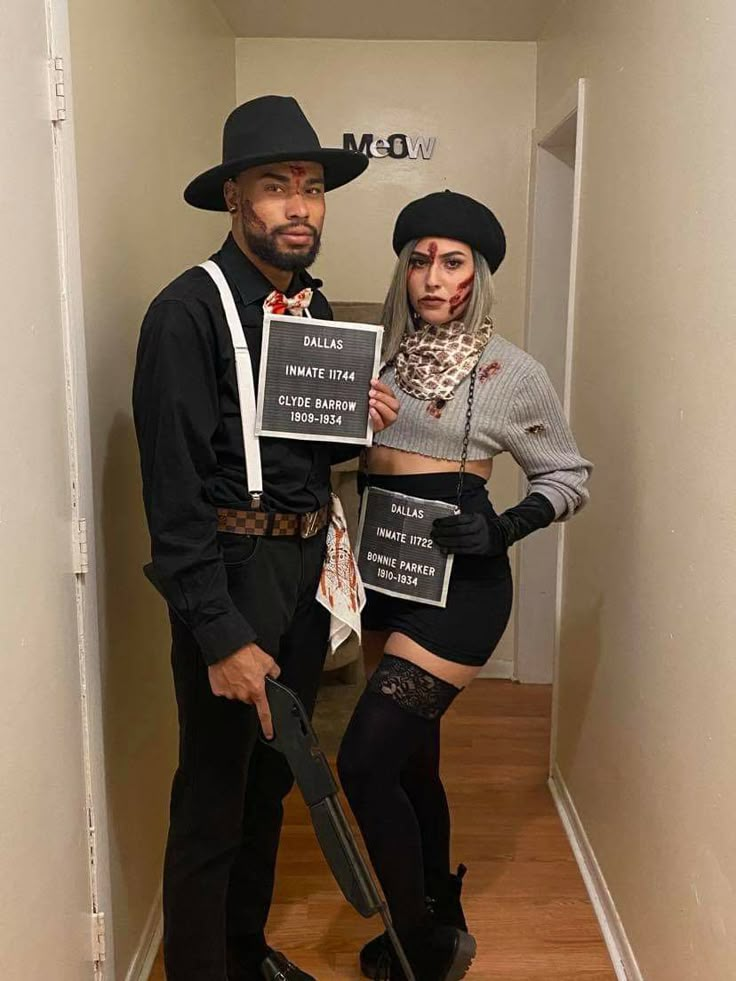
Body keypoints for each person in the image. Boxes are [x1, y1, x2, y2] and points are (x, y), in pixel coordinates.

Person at [133, 95, 399, 981]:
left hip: (303, 568)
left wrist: (356, 424)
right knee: (213, 797)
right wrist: (218, 632)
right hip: (230, 571)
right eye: (277, 186)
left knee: (271, 782)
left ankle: (242, 954)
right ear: (234, 200)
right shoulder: (187, 314)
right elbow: (173, 501)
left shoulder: (311, 312)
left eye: (313, 187)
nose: (301, 205)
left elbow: (301, 455)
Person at [337, 190, 593, 980]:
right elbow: (318, 453)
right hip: (385, 573)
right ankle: (442, 901)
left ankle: (418, 943)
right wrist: (353, 424)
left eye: (452, 262)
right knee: (413, 761)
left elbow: (569, 474)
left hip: (461, 585)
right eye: (419, 260)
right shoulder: (367, 355)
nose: (433, 278)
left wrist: (507, 526)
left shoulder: (512, 372)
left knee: (364, 763)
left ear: (477, 272)